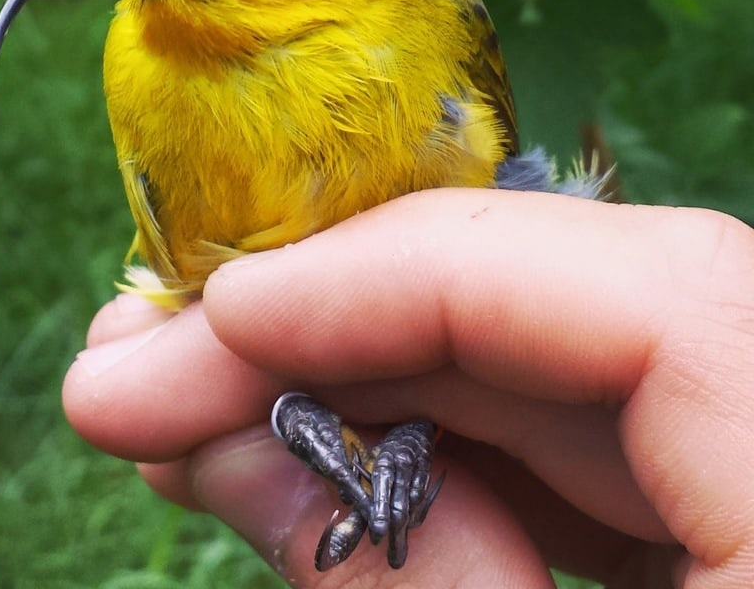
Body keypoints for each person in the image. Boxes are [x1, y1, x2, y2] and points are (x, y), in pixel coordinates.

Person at [63, 188, 754, 588]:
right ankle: (302, 420)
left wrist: (414, 433)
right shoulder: (141, 59)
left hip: (416, 358)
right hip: (267, 342)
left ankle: (384, 438)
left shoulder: (433, 17)